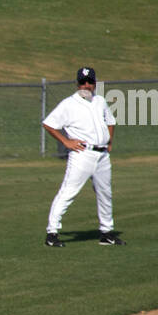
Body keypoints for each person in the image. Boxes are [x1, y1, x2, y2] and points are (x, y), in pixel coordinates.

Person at [43, 66, 126, 247]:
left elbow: (110, 122)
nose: (86, 86)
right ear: (77, 83)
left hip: (102, 155)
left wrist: (109, 141)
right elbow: (49, 124)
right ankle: (52, 233)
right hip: (82, 154)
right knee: (68, 192)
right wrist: (66, 142)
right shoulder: (68, 104)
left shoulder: (100, 102)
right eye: (82, 82)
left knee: (105, 194)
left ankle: (106, 233)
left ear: (95, 83)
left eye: (90, 82)